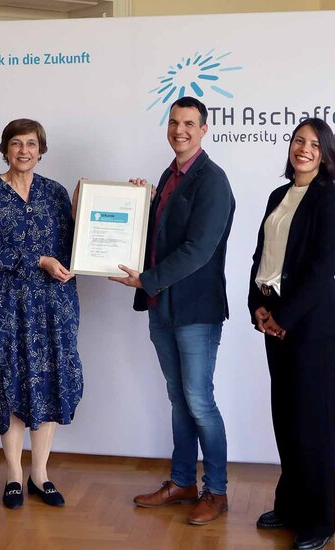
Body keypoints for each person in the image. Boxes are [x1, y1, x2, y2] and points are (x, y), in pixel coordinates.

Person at [109, 96, 235, 526]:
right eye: (174, 122)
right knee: (179, 400)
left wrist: (147, 279)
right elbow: (159, 235)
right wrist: (134, 205)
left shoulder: (212, 180)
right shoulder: (169, 175)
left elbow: (198, 249)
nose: (179, 130)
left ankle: (215, 491)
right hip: (163, 308)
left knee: (199, 401)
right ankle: (181, 482)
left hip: (196, 310)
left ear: (203, 130)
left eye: (189, 124)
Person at [247, 118, 335, 550]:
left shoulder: (331, 200)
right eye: (297, 141)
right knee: (286, 420)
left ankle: (318, 520)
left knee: (315, 425)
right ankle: (289, 505)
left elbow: (322, 270)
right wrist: (258, 307)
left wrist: (283, 315)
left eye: (313, 144)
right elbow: (261, 257)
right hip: (276, 320)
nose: (303, 149)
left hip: (313, 328)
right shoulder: (278, 195)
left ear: (325, 154)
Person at [0, 119, 82, 509]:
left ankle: (41, 474)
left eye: (31, 144)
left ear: (41, 150)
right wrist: (40, 260)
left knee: (49, 382)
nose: (23, 151)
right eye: (16, 143)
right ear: (5, 149)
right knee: (10, 383)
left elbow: (75, 247)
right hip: (4, 307)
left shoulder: (55, 193)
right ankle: (14, 474)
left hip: (54, 306)